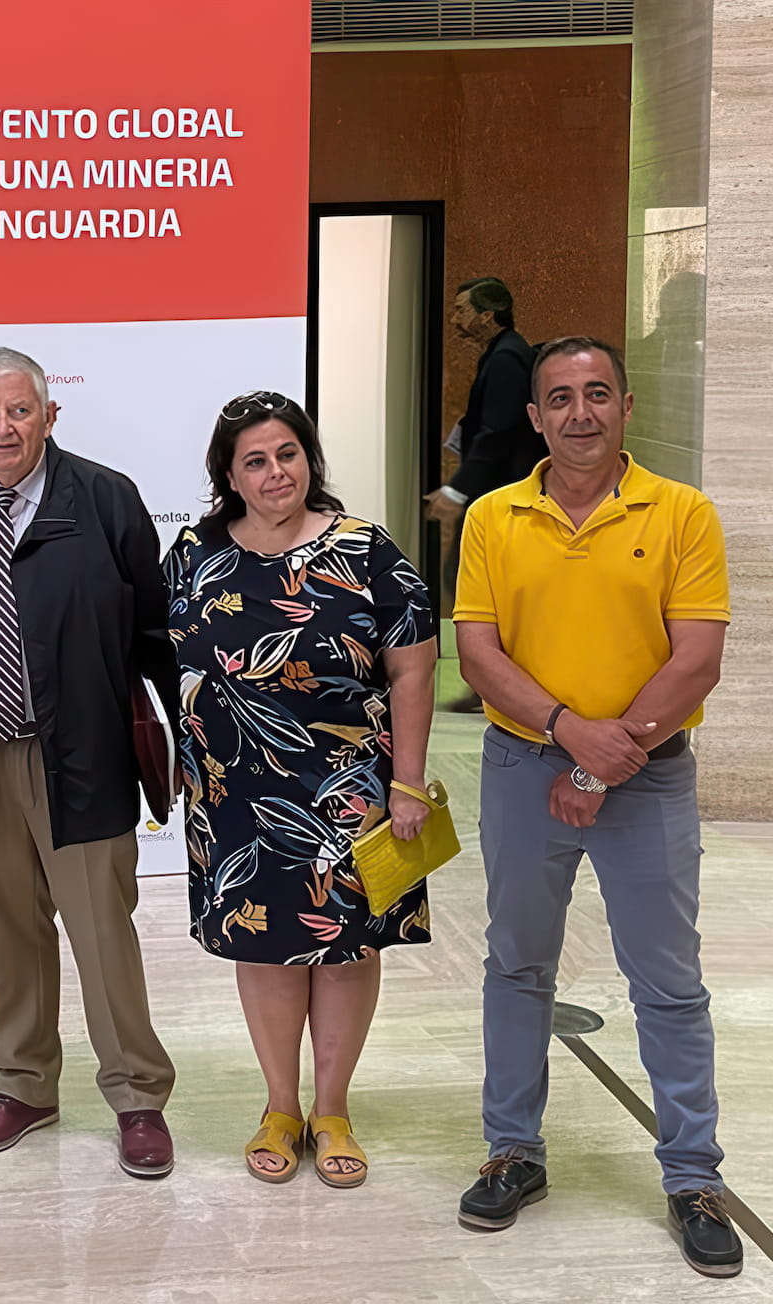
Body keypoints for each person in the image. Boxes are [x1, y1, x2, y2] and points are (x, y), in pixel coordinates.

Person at [453, 338, 739, 1278]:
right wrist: (575, 737)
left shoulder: (682, 511)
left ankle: (693, 1177)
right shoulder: (495, 516)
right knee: (516, 967)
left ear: (625, 407)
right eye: (560, 399)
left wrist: (607, 760)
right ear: (533, 417)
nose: (580, 413)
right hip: (523, 765)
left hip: (646, 776)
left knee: (667, 983)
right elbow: (482, 655)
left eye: (598, 395)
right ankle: (512, 1153)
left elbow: (696, 656)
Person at [0, 347, 180, 1180]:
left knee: (100, 931)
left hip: (79, 752)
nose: (4, 427)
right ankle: (24, 1085)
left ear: (51, 416)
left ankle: (137, 1096)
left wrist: (186, 730)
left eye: (21, 411)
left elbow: (154, 631)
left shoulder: (106, 499)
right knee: (9, 930)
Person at [164, 391, 439, 1189]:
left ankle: (332, 1109)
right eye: (255, 459)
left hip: (353, 789)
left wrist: (410, 783)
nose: (275, 471)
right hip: (234, 795)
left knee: (346, 949)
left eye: (287, 453)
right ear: (230, 475)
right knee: (267, 949)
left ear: (308, 459)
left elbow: (414, 668)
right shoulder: (192, 553)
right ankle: (280, 1107)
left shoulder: (366, 551)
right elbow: (164, 657)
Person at [425, 277, 539, 712]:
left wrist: (458, 488)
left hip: (504, 492)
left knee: (473, 582)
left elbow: (498, 432)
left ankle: (495, 685)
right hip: (501, 490)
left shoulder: (508, 359)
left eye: (461, 310)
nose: (455, 318)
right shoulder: (502, 353)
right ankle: (491, 685)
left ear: (486, 316)